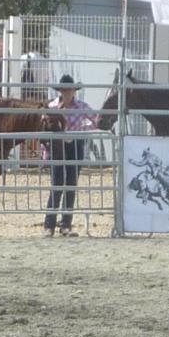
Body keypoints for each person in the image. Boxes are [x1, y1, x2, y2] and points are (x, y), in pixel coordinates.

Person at [43, 74, 99, 237]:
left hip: (75, 144)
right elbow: (45, 127)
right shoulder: (52, 106)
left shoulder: (81, 106)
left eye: (70, 90)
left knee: (71, 183)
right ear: (60, 91)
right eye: (65, 90)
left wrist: (82, 130)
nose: (67, 93)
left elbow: (96, 120)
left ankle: (65, 224)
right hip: (58, 147)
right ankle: (50, 225)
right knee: (57, 183)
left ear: (74, 91)